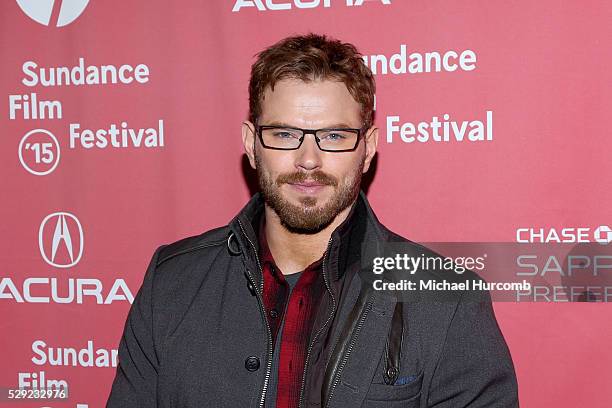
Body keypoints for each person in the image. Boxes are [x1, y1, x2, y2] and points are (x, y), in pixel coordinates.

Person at [106, 33, 518, 408]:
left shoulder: (445, 298)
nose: (308, 161)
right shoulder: (174, 283)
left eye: (334, 136)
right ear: (251, 144)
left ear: (368, 148)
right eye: (285, 135)